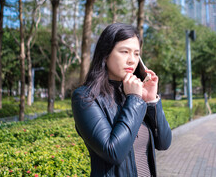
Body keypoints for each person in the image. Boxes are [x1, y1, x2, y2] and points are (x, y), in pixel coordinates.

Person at [72, 23, 172, 177]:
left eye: (136, 54)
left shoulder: (135, 94)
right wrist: (134, 99)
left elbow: (164, 143)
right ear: (106, 54)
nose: (132, 60)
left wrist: (151, 101)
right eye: (125, 51)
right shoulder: (86, 97)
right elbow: (113, 152)